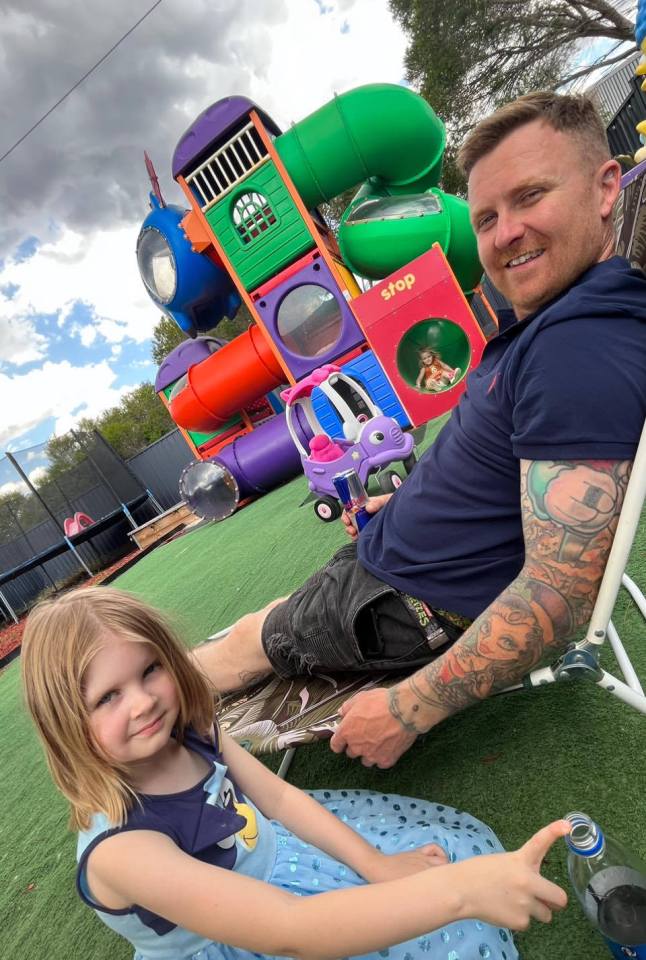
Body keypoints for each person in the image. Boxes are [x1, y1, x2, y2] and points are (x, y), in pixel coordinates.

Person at [194, 91, 646, 770]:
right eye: (487, 215)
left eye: (531, 197)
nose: (503, 234)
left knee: (242, 644)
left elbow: (560, 590)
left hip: (404, 603)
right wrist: (399, 506)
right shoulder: (565, 320)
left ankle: (104, 734)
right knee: (280, 616)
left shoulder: (577, 351)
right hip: (399, 560)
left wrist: (409, 708)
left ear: (606, 187)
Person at [21, 587, 569, 960]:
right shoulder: (123, 850)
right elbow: (291, 931)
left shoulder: (191, 729)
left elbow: (278, 800)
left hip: (278, 860)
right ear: (65, 723)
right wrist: (458, 893)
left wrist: (374, 865)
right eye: (108, 697)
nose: (143, 703)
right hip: (250, 933)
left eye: (150, 670)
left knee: (417, 873)